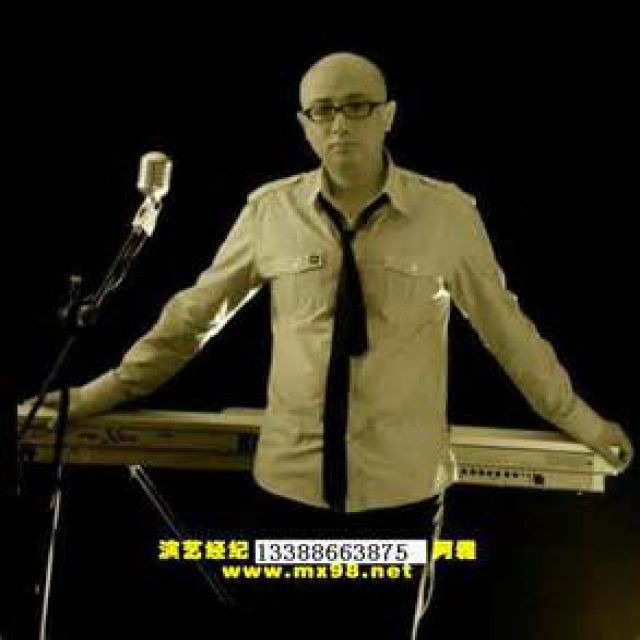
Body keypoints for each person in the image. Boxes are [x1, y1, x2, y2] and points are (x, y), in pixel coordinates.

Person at [24, 52, 633, 639]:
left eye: (357, 106)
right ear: (304, 124)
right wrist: (93, 396)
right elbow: (189, 322)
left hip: (400, 497)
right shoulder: (269, 212)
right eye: (323, 110)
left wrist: (579, 419)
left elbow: (509, 331)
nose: (339, 124)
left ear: (388, 115)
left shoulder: (446, 215)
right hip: (288, 493)